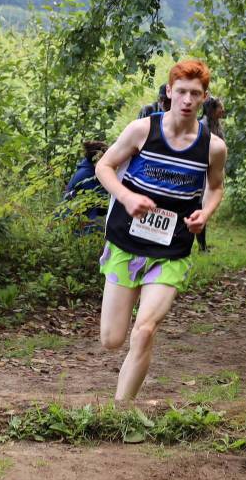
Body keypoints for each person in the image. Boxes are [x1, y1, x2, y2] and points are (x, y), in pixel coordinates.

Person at [97, 59, 227, 401]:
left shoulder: (212, 147)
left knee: (145, 330)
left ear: (203, 99)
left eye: (194, 94)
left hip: (171, 249)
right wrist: (126, 196)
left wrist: (206, 213)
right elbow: (104, 166)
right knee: (111, 340)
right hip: (127, 242)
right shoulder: (143, 130)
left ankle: (121, 413)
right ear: (169, 92)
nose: (186, 99)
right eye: (181, 91)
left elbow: (215, 187)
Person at [196, 96, 226, 252]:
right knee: (199, 206)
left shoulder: (216, 125)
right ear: (212, 110)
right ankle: (201, 246)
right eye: (220, 107)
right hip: (202, 175)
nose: (223, 110)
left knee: (203, 207)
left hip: (211, 173)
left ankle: (202, 246)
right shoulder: (202, 126)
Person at [61, 140, 110, 234]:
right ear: (97, 157)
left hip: (79, 218)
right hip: (75, 224)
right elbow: (102, 202)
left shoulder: (89, 170)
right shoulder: (88, 175)